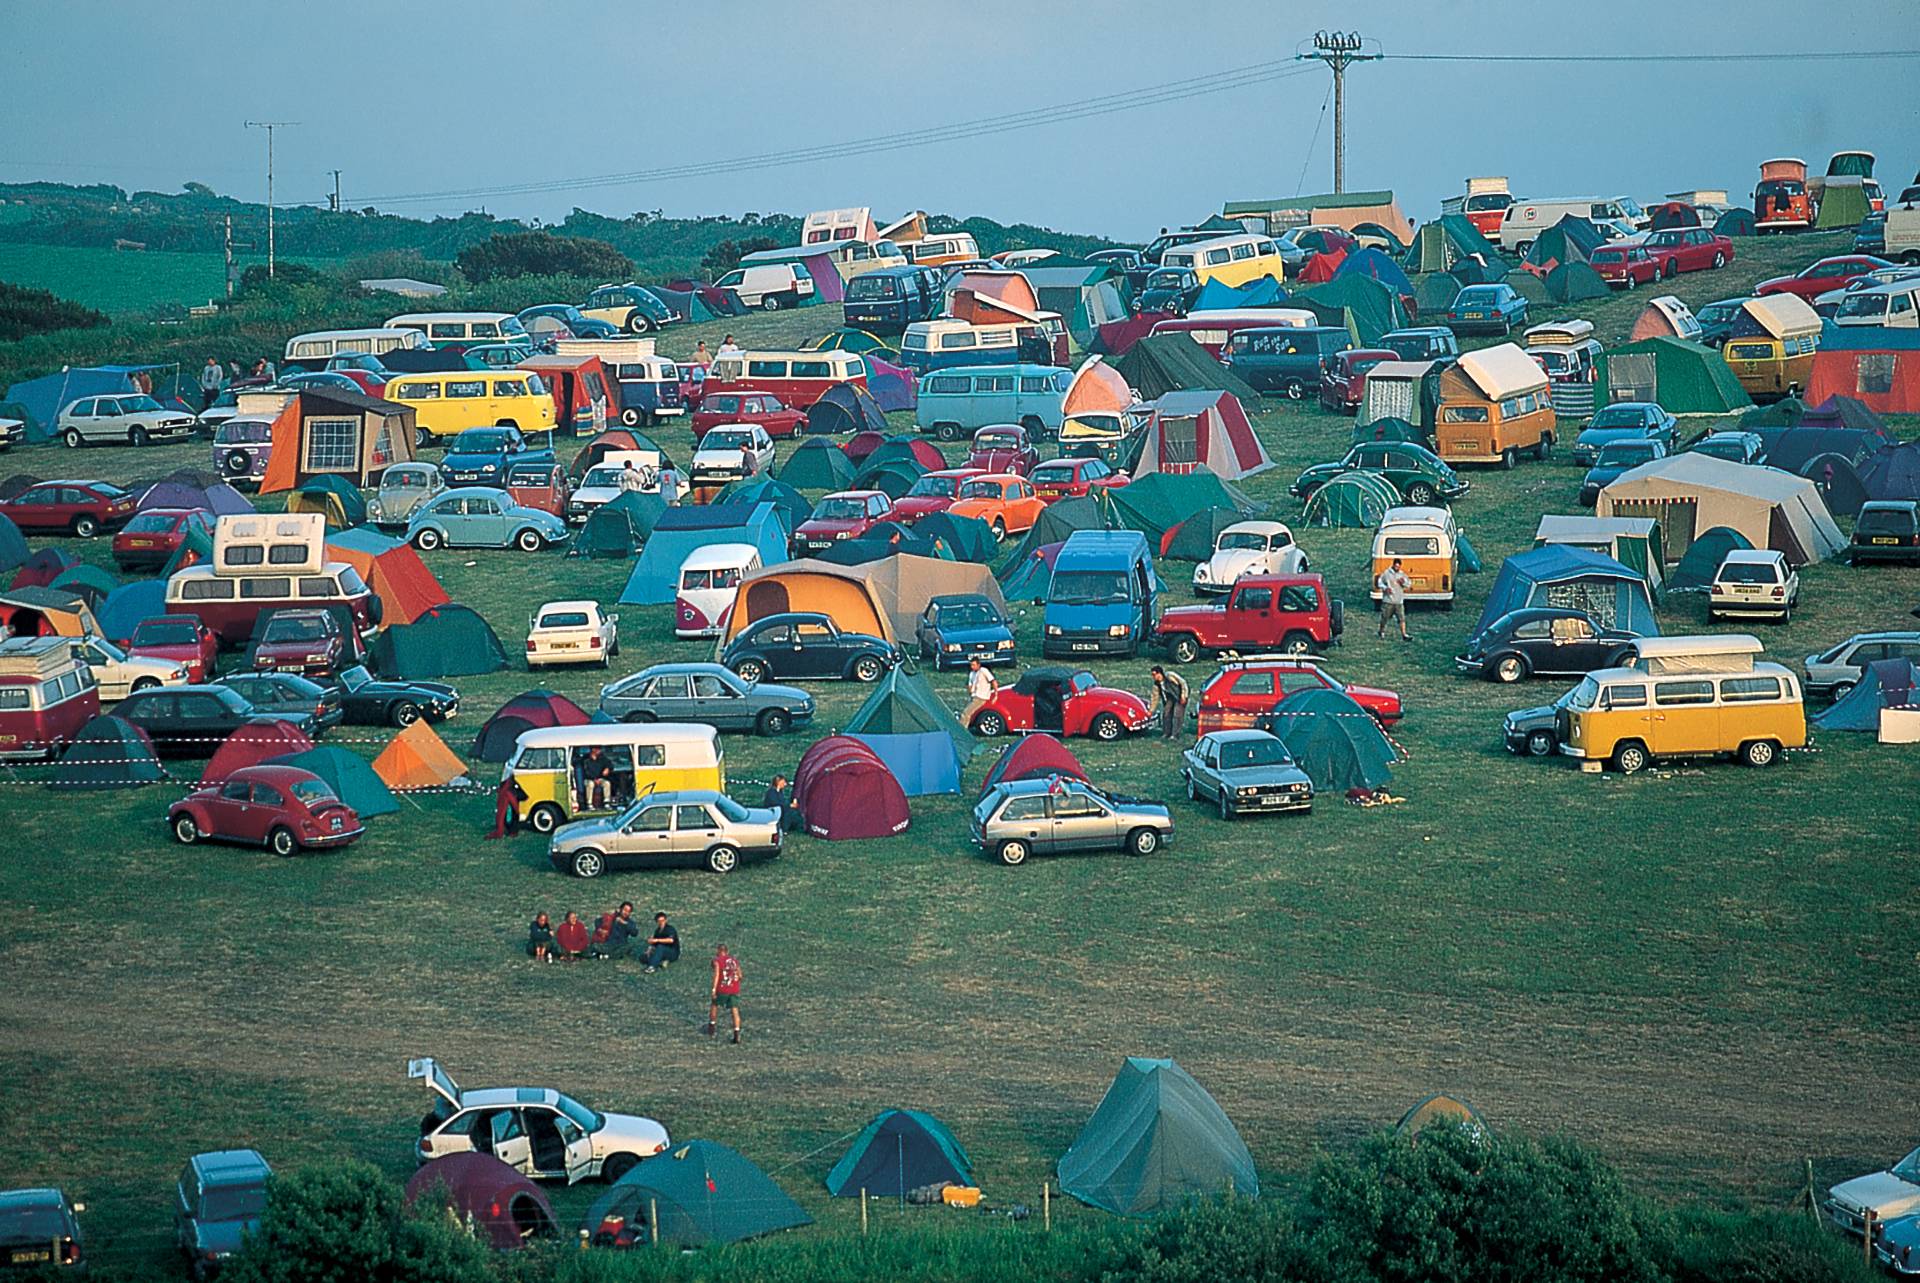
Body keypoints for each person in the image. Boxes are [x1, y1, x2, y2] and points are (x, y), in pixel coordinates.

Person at [707, 943, 742, 1043]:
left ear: (718, 951)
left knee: (714, 1005)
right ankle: (736, 1032)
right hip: (734, 989)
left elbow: (717, 975)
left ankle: (711, 1026)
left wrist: (714, 989)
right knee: (735, 1010)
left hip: (722, 988)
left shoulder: (717, 961)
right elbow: (740, 976)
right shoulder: (734, 961)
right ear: (727, 951)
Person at [1376, 557, 1412, 641]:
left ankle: (1404, 634)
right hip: (1388, 600)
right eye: (1396, 566)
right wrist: (1385, 588)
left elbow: (1409, 584)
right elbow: (1379, 582)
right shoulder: (1386, 573)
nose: (1397, 568)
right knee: (1384, 617)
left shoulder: (1402, 574)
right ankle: (1381, 631)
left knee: (1401, 618)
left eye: (1398, 567)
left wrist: (1404, 583)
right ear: (1393, 565)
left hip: (1399, 601)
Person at [1149, 666, 1189, 741]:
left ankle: (1175, 735)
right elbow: (1155, 698)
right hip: (1169, 698)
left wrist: (1184, 696)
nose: (1153, 677)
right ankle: (1166, 733)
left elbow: (1183, 683)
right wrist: (1151, 710)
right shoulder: (1157, 685)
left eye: (1154, 674)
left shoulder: (1170, 676)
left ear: (1159, 673)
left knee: (1177, 715)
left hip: (1179, 696)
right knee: (1166, 713)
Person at [962, 657, 997, 728]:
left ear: (978, 665)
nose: (972, 667)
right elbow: (970, 685)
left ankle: (961, 729)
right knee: (967, 712)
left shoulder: (983, 671)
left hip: (981, 697)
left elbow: (993, 681)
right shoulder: (972, 674)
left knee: (966, 713)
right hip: (974, 696)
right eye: (971, 665)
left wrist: (996, 694)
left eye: (974, 665)